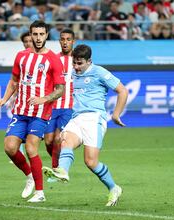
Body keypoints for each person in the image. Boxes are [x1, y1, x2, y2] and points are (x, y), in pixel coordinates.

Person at [43, 44, 128, 207]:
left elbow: (122, 91)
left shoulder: (99, 72)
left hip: (94, 119)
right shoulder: (72, 73)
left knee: (90, 162)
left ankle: (114, 187)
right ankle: (62, 171)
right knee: (65, 139)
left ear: (89, 61)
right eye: (74, 63)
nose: (76, 67)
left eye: (79, 63)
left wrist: (116, 114)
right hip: (76, 118)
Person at [0, 20, 65, 203]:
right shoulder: (21, 56)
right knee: (9, 148)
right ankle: (30, 175)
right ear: (30, 35)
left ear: (47, 35)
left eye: (42, 34)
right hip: (20, 111)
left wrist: (44, 99)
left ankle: (40, 193)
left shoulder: (53, 59)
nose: (38, 38)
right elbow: (14, 81)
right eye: (35, 34)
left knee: (31, 147)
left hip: (40, 112)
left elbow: (60, 89)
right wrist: (4, 98)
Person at [43, 29, 75, 182]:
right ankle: (61, 160)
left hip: (69, 106)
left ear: (73, 41)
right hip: (52, 105)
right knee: (48, 140)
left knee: (57, 138)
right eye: (62, 39)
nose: (65, 42)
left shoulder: (78, 60)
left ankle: (57, 170)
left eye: (68, 39)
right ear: (59, 41)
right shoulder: (53, 59)